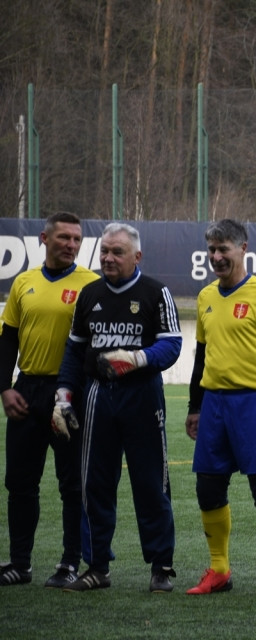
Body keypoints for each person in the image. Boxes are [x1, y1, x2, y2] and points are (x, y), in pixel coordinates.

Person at [54, 222, 181, 592]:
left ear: (137, 256)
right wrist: (63, 396)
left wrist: (137, 358)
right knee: (94, 482)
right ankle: (97, 567)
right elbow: (75, 350)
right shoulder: (89, 294)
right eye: (104, 251)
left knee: (151, 483)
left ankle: (161, 566)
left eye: (117, 252)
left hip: (142, 396)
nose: (108, 258)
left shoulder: (157, 293)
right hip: (98, 396)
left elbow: (172, 345)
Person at [185, 219, 256, 598]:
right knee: (208, 488)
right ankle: (219, 570)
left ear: (243, 248)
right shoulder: (205, 297)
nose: (217, 257)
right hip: (214, 404)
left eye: (224, 249)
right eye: (212, 250)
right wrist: (194, 406)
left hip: (254, 403)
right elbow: (202, 356)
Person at [0, 213, 99, 588]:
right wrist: (5, 388)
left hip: (70, 393)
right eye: (63, 238)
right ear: (44, 238)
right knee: (20, 482)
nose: (71, 245)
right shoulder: (23, 282)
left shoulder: (91, 284)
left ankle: (69, 563)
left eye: (76, 239)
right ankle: (20, 564)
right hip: (27, 391)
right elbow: (7, 338)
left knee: (73, 484)